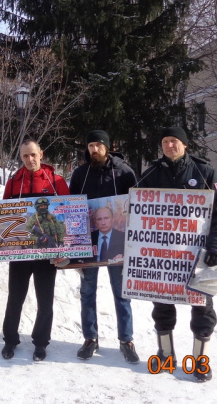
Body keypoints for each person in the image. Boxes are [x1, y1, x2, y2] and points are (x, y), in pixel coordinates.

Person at [138, 127, 217, 382]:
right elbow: (136, 211)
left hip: (198, 255)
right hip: (162, 256)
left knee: (202, 305)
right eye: (165, 141)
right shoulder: (151, 174)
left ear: (185, 145)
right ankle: (165, 353)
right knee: (161, 304)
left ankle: (200, 360)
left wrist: (216, 246)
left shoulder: (206, 172)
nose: (169, 146)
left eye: (174, 141)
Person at [68, 130, 139, 364]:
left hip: (118, 241)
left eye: (98, 145)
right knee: (87, 292)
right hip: (88, 242)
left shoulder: (124, 172)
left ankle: (126, 340)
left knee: (121, 293)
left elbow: (137, 205)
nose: (94, 150)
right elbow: (71, 207)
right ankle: (90, 338)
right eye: (90, 146)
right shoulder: (80, 174)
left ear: (107, 147)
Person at [1, 139, 70, 362]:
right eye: (24, 156)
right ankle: (10, 340)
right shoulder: (13, 182)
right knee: (15, 297)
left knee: (45, 299)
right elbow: (5, 216)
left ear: (41, 154)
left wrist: (64, 248)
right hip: (21, 251)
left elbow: (68, 215)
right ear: (20, 158)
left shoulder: (56, 181)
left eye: (33, 155)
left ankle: (41, 343)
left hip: (47, 253)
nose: (30, 160)